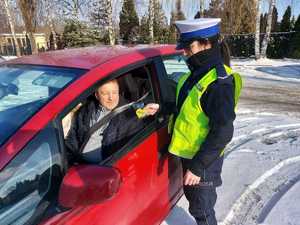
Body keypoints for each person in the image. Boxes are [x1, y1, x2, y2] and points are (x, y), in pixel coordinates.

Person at [168, 18, 242, 225]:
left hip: (203, 161)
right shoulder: (194, 75)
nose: (183, 52)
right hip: (192, 155)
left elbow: (223, 131)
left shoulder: (218, 84)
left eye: (188, 46)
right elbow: (187, 109)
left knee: (202, 209)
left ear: (206, 44)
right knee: (198, 204)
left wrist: (197, 167)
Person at [65, 79, 159, 164]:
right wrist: (68, 159)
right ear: (97, 95)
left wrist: (144, 112)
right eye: (105, 94)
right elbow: (74, 136)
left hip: (103, 169)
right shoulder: (87, 109)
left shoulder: (129, 113)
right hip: (77, 164)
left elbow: (133, 143)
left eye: (114, 93)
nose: (111, 98)